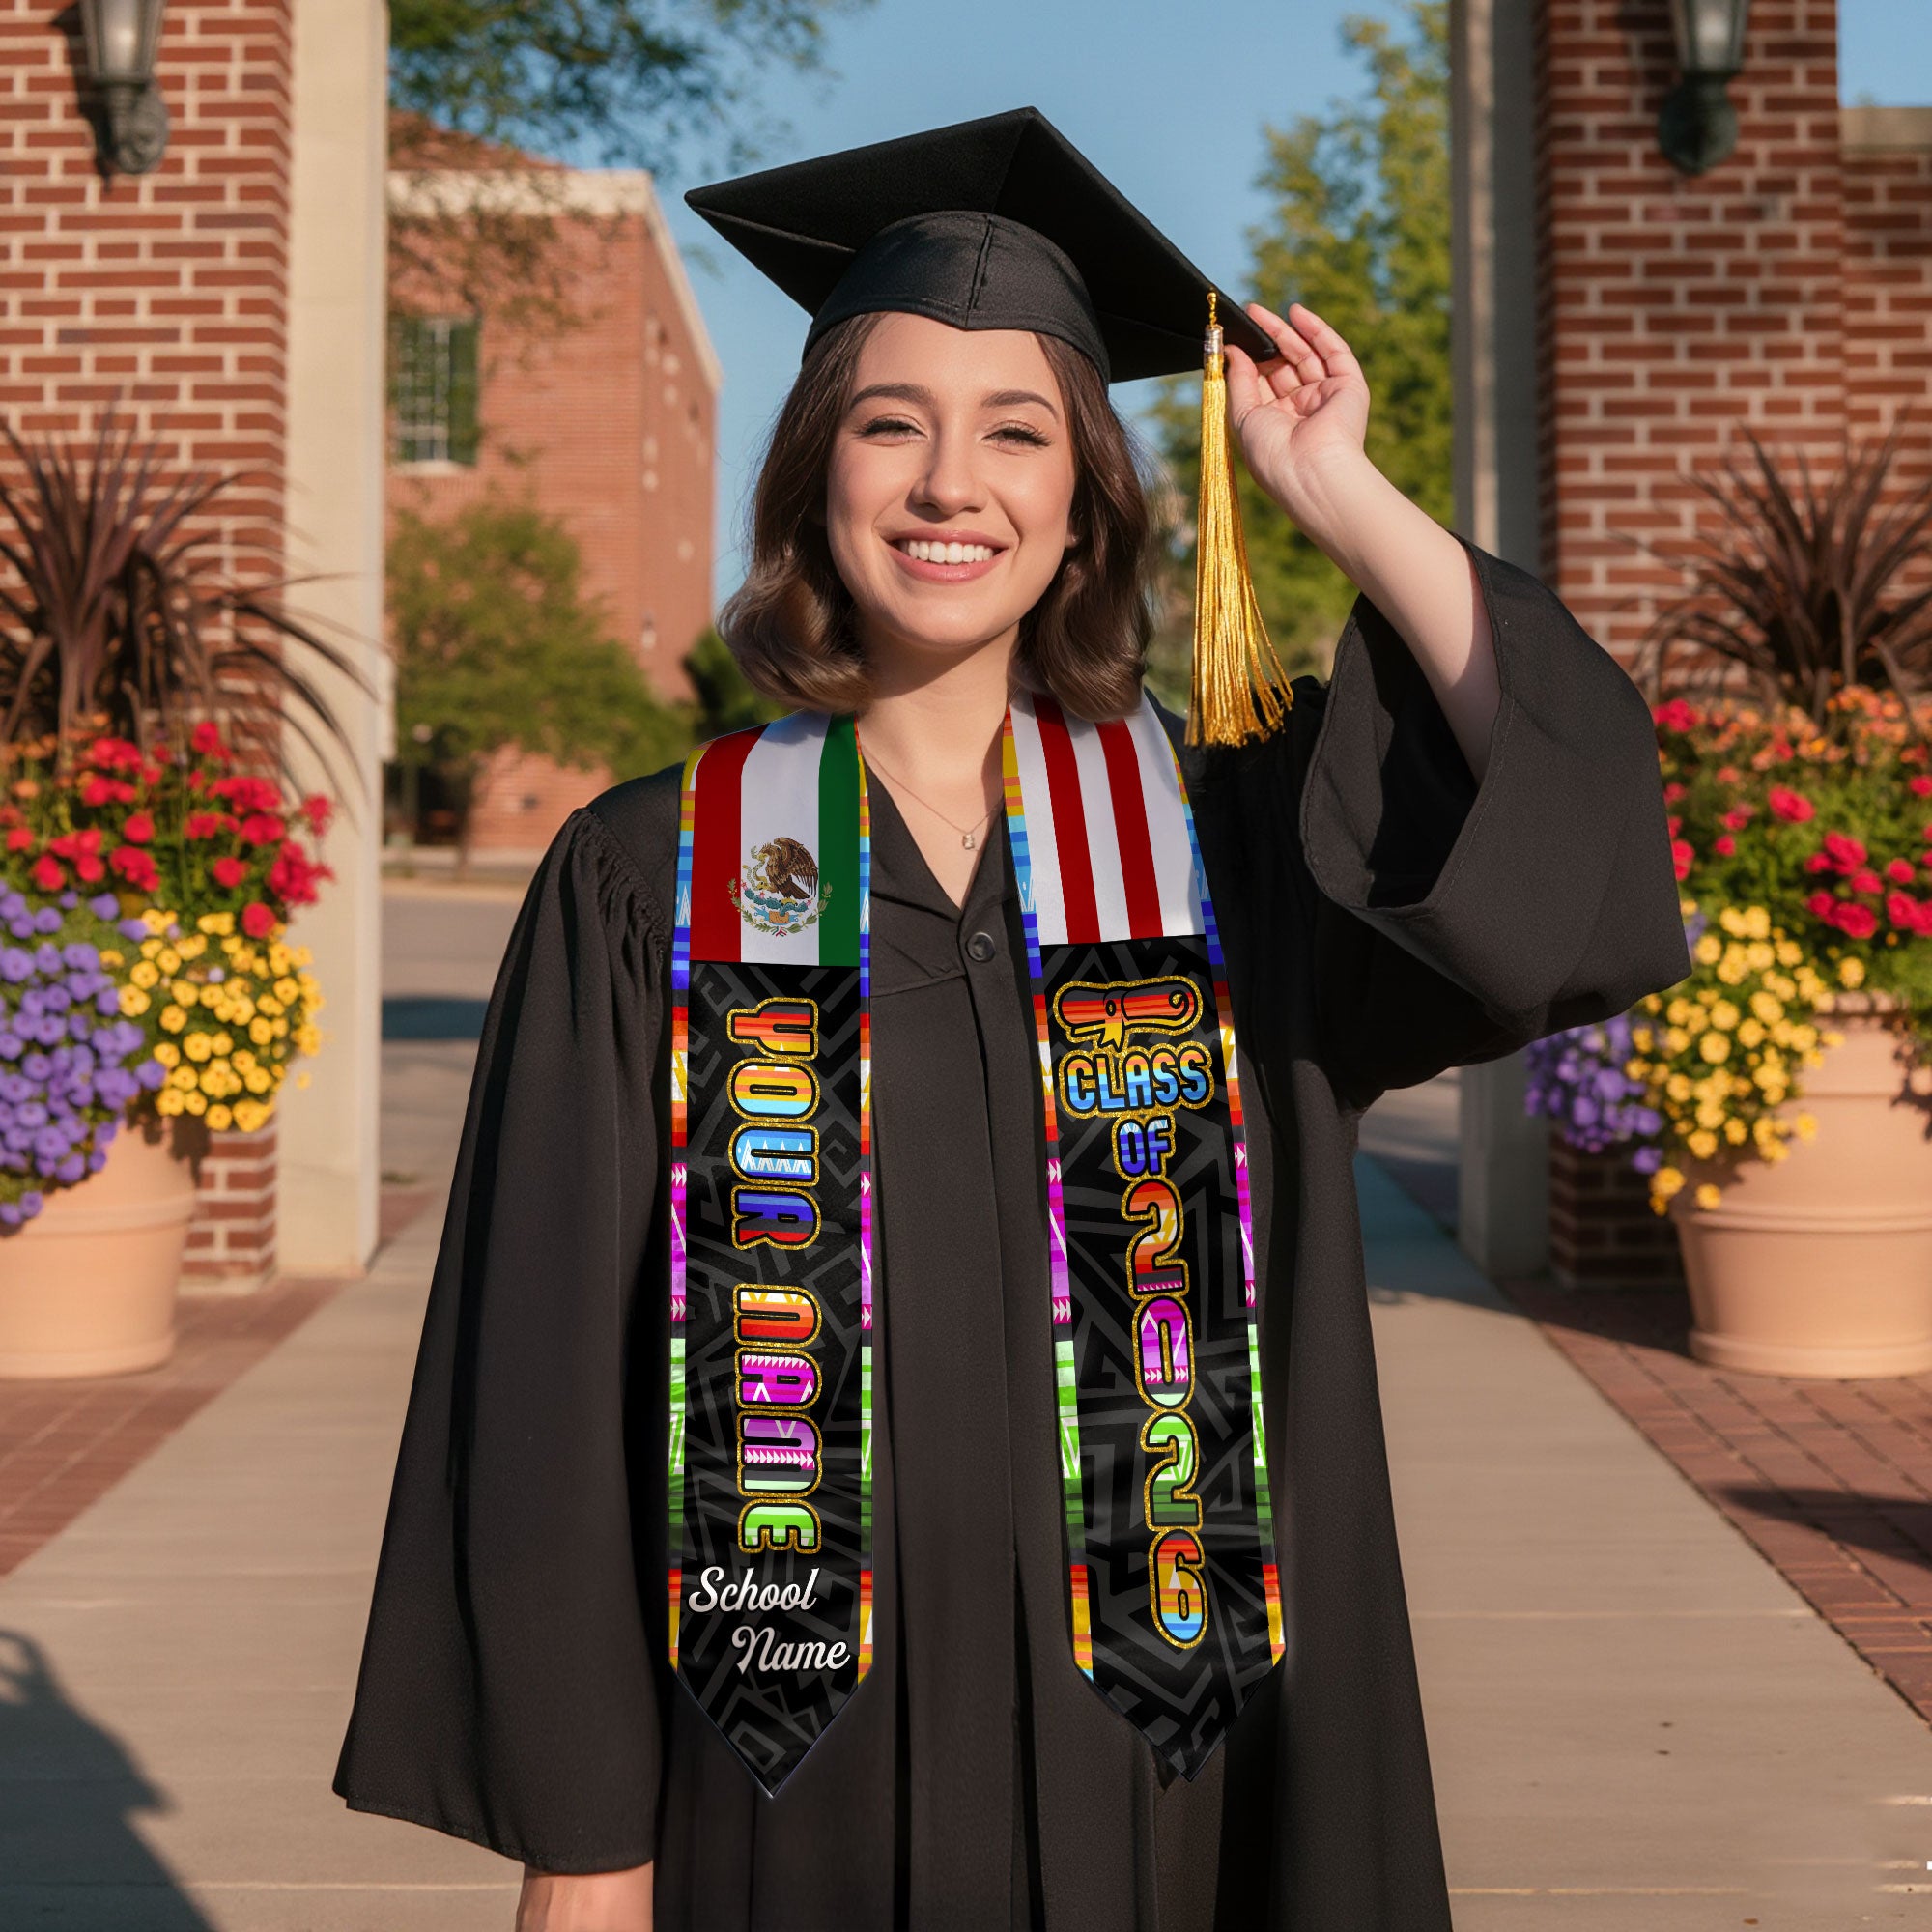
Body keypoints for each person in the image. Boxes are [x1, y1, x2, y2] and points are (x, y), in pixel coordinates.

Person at [332, 109, 1690, 1932]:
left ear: (1082, 505)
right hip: (778, 1781)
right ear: (818, 472)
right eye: (892, 424)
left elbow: (1558, 830)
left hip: (1182, 1778)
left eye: (1016, 433)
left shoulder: (1231, 858)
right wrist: (585, 1843)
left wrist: (1336, 491)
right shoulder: (643, 876)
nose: (947, 483)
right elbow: (547, 1384)